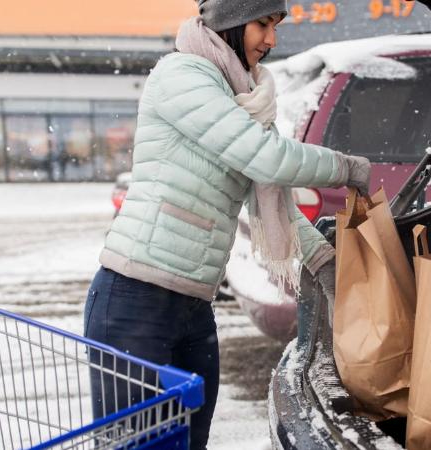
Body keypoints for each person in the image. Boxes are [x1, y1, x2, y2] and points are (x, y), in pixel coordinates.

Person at [82, 0, 370, 447]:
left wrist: (322, 262)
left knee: (190, 441)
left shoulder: (246, 95)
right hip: (135, 300)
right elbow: (268, 159)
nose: (271, 40)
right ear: (230, 22)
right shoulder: (181, 76)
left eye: (275, 26)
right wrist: (346, 168)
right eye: (262, 24)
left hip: (194, 304)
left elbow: (274, 199)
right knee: (137, 445)